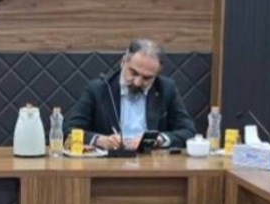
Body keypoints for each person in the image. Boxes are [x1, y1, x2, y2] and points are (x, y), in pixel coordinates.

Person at [64, 39, 196, 150]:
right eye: (133, 73)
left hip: (152, 163)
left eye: (147, 78)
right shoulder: (99, 89)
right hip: (110, 164)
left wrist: (159, 139)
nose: (138, 82)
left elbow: (188, 131)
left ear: (157, 74)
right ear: (123, 62)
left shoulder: (166, 88)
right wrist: (100, 140)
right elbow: (68, 130)